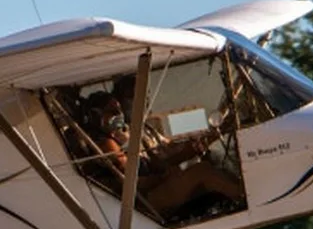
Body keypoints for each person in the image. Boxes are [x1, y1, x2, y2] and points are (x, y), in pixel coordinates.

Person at [87, 92, 243, 221]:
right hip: (144, 204)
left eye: (119, 110)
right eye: (112, 111)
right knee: (202, 172)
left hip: (151, 192)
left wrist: (178, 160)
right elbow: (131, 183)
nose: (119, 115)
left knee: (208, 166)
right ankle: (243, 199)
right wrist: (163, 177)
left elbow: (155, 163)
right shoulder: (105, 145)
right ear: (96, 116)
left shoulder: (125, 137)